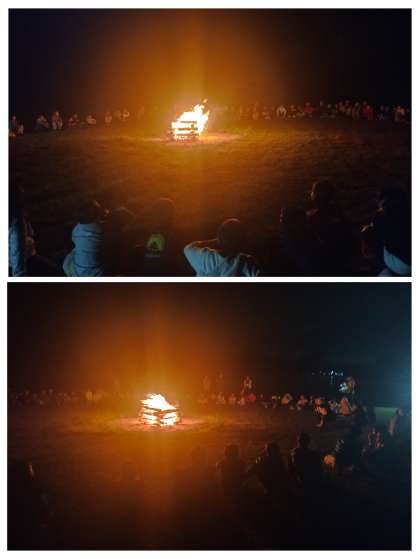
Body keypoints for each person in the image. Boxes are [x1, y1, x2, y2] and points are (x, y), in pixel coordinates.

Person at [306, 180, 355, 275]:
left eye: (313, 192)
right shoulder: (342, 215)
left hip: (323, 265)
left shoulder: (312, 218)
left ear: (316, 196)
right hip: (342, 263)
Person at [184, 218, 261, 277]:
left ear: (219, 238)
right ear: (242, 241)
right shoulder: (245, 263)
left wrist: (217, 240)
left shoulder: (204, 257)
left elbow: (188, 247)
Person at [362, 186, 411, 276]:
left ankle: (379, 268)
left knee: (370, 235)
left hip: (403, 265)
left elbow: (370, 232)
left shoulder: (382, 217)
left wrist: (368, 228)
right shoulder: (408, 211)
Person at [63, 199, 108, 277]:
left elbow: (74, 240)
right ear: (97, 215)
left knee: (72, 253)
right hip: (95, 272)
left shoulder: (77, 229)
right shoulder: (101, 229)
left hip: (77, 272)